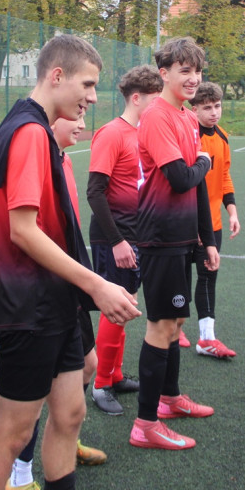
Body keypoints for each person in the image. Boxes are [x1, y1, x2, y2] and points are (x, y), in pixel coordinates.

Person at [0, 35, 139, 490]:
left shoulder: (34, 127)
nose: (92, 98)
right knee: (11, 432)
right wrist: (96, 285)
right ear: (57, 76)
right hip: (28, 307)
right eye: (87, 85)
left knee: (70, 410)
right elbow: (23, 231)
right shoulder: (29, 131)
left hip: (54, 303)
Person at [3, 114, 109, 490]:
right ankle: (19, 477)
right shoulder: (36, 155)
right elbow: (24, 231)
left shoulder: (63, 159)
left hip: (69, 285)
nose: (82, 122)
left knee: (87, 365)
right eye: (75, 115)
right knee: (36, 392)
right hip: (42, 294)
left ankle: (64, 434)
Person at [130, 36, 218, 451]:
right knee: (161, 325)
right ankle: (145, 424)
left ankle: (169, 399)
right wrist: (204, 162)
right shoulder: (156, 116)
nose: (193, 78)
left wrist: (207, 240)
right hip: (160, 236)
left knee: (177, 322)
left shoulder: (187, 116)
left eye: (197, 71)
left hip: (183, 236)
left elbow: (196, 187)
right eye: (185, 70)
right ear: (163, 73)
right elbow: (182, 177)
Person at [88, 64, 162, 415]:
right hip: (113, 238)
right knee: (114, 309)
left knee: (127, 305)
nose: (159, 107)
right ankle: (100, 384)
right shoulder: (111, 134)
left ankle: (115, 374)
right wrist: (117, 241)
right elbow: (95, 192)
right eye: (154, 100)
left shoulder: (144, 134)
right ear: (136, 98)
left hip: (138, 235)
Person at [187, 80, 239, 359]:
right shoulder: (188, 137)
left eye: (217, 106)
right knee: (180, 277)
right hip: (186, 223)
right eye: (207, 108)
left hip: (213, 225)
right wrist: (193, 223)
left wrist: (232, 211)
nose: (214, 112)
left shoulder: (222, 137)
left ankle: (207, 338)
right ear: (193, 108)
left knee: (208, 276)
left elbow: (224, 175)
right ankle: (174, 326)